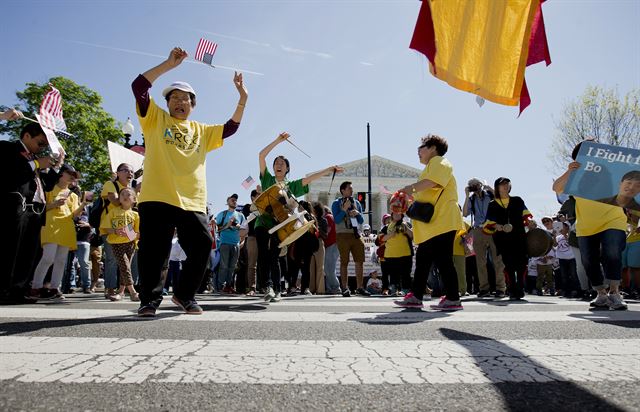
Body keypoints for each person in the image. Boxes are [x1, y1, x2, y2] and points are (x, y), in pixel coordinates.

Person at [132, 46, 248, 317]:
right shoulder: (155, 119)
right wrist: (168, 65)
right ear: (168, 103)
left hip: (191, 200)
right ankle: (149, 299)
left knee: (201, 247)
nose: (179, 102)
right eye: (174, 98)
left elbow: (231, 127)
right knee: (154, 253)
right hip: (157, 196)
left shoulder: (202, 131)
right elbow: (138, 86)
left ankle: (184, 295)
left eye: (185, 99)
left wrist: (242, 97)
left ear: (192, 105)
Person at [256, 132, 341, 302]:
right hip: (263, 222)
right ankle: (267, 286)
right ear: (273, 168)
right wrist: (278, 141)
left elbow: (309, 179)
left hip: (280, 225)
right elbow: (261, 155)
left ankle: (276, 290)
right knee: (263, 256)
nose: (278, 165)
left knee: (274, 255)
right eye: (276, 163)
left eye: (282, 163)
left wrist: (328, 169)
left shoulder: (292, 186)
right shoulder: (267, 179)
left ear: (287, 168)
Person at [553, 142, 628, 310]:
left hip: (612, 219)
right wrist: (570, 171)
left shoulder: (611, 166)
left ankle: (615, 293)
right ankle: (601, 294)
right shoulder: (575, 173)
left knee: (612, 252)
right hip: (587, 225)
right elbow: (556, 188)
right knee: (588, 260)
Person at [394, 134, 464, 310]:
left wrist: (410, 188)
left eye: (422, 147)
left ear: (433, 148)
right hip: (434, 223)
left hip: (443, 220)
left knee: (443, 260)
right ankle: (416, 295)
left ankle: (452, 298)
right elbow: (424, 194)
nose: (418, 151)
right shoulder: (429, 168)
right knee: (424, 259)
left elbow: (433, 183)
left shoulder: (440, 162)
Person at [0, 116, 62, 304]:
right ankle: (4, 289)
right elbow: (9, 173)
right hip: (15, 207)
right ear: (27, 136)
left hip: (35, 210)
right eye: (40, 142)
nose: (42, 147)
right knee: (11, 249)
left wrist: (55, 167)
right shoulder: (9, 148)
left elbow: (48, 186)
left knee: (30, 252)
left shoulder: (35, 159)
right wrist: (36, 164)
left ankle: (19, 288)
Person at [29, 164, 88, 300]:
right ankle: (35, 287)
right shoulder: (49, 188)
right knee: (48, 257)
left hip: (66, 228)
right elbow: (41, 208)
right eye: (70, 173)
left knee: (61, 260)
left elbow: (74, 215)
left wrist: (83, 205)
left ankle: (55, 288)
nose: (73, 177)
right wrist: (54, 204)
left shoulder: (73, 195)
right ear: (61, 173)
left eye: (74, 175)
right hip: (51, 225)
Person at [483, 177, 534, 301]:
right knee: (509, 265)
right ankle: (511, 289)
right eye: (502, 184)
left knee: (521, 264)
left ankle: (520, 288)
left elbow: (526, 217)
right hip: (502, 239)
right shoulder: (493, 204)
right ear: (497, 187)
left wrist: (530, 222)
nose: (505, 186)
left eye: (507, 184)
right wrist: (497, 226)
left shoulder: (517, 200)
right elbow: (489, 223)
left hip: (519, 236)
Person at [462, 178, 506, 298]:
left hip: (493, 228)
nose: (474, 186)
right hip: (478, 230)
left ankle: (500, 288)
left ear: (480, 184)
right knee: (480, 262)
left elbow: (502, 202)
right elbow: (465, 213)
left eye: (476, 184)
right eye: (471, 185)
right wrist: (466, 195)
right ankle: (484, 288)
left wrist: (490, 188)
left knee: (497, 260)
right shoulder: (471, 199)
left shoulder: (490, 195)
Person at [98, 163, 134, 300]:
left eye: (131, 171)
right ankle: (110, 288)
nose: (129, 173)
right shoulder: (110, 184)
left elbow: (134, 207)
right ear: (117, 173)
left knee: (129, 259)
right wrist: (131, 194)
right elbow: (115, 201)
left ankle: (124, 289)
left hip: (129, 227)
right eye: (125, 170)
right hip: (110, 226)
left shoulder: (133, 189)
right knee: (112, 258)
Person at [100, 188, 140, 301]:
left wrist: (131, 234)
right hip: (116, 243)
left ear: (134, 199)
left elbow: (137, 233)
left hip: (130, 244)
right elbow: (105, 227)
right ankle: (133, 291)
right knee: (125, 266)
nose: (125, 196)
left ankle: (121, 292)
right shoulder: (113, 211)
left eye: (129, 194)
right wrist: (115, 231)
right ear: (119, 198)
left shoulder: (136, 215)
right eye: (122, 194)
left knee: (125, 268)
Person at [332, 181, 370, 297]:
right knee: (344, 261)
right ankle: (345, 288)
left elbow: (361, 221)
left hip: (356, 234)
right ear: (343, 190)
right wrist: (344, 210)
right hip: (342, 234)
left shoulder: (357, 202)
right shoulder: (336, 203)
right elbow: (336, 220)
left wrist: (357, 213)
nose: (352, 191)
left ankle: (360, 287)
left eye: (352, 189)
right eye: (349, 188)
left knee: (360, 261)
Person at [216, 194, 246, 293]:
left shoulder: (241, 215)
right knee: (224, 265)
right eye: (232, 199)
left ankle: (229, 286)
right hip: (224, 243)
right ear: (227, 201)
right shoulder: (222, 214)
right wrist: (227, 225)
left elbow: (244, 230)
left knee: (233, 267)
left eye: (236, 200)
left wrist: (242, 241)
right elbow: (217, 229)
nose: (234, 201)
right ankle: (220, 286)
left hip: (236, 244)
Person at [380, 211, 413, 296]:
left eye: (399, 214)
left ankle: (405, 289)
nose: (397, 215)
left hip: (405, 253)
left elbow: (413, 236)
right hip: (391, 255)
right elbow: (380, 239)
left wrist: (406, 229)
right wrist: (391, 234)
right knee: (393, 274)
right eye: (395, 214)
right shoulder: (386, 227)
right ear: (392, 216)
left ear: (402, 215)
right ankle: (394, 289)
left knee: (406, 273)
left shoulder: (407, 224)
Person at [241, 188, 261, 295]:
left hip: (263, 237)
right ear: (253, 197)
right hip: (252, 237)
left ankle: (263, 286)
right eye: (259, 195)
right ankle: (252, 288)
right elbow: (248, 218)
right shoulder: (247, 207)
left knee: (263, 263)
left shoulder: (264, 207)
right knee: (252, 264)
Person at [323, 206, 342, 294]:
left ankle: (336, 287)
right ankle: (330, 288)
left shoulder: (328, 217)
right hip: (334, 244)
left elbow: (328, 230)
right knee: (329, 267)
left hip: (332, 244)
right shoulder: (331, 217)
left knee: (329, 268)